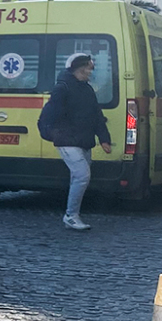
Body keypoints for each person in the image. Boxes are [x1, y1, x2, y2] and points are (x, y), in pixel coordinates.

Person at [38, 53, 112, 230]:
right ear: (79, 69)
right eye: (88, 68)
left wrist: (104, 139)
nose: (90, 72)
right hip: (67, 140)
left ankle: (72, 214)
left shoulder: (86, 89)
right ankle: (71, 216)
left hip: (82, 141)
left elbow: (97, 116)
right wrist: (52, 135)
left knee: (78, 177)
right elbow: (47, 116)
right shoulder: (62, 89)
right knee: (82, 176)